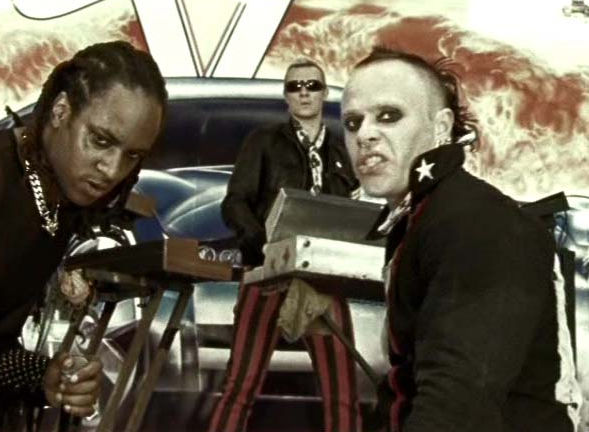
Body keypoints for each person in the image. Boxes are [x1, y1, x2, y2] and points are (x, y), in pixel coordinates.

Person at [0, 40, 167, 430]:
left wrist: (44, 377)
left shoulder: (57, 201)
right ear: (61, 110)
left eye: (132, 155)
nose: (112, 170)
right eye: (101, 141)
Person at [341, 47, 582, 432]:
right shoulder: (423, 217)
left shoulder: (478, 223)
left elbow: (458, 403)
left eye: (389, 116)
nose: (365, 134)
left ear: (441, 126)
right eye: (353, 122)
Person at [209, 60, 362, 432]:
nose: (304, 92)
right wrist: (262, 245)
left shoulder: (342, 151)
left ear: (325, 93)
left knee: (343, 392)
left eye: (312, 85)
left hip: (323, 277)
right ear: (286, 96)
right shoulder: (264, 141)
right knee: (240, 384)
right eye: (295, 86)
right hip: (269, 272)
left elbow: (352, 212)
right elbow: (235, 203)